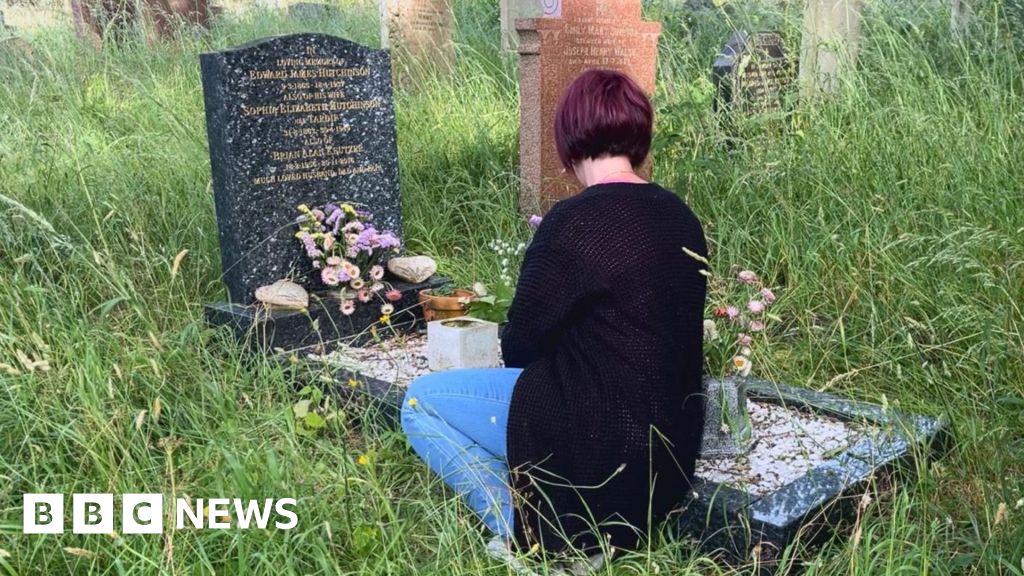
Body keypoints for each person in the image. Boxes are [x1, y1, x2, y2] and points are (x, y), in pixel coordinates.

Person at [401, 69, 708, 563]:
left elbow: (520, 346)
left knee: (419, 404)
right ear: (639, 135)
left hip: (596, 438)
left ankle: (535, 536)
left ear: (570, 138)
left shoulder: (573, 222)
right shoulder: (680, 214)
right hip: (670, 452)